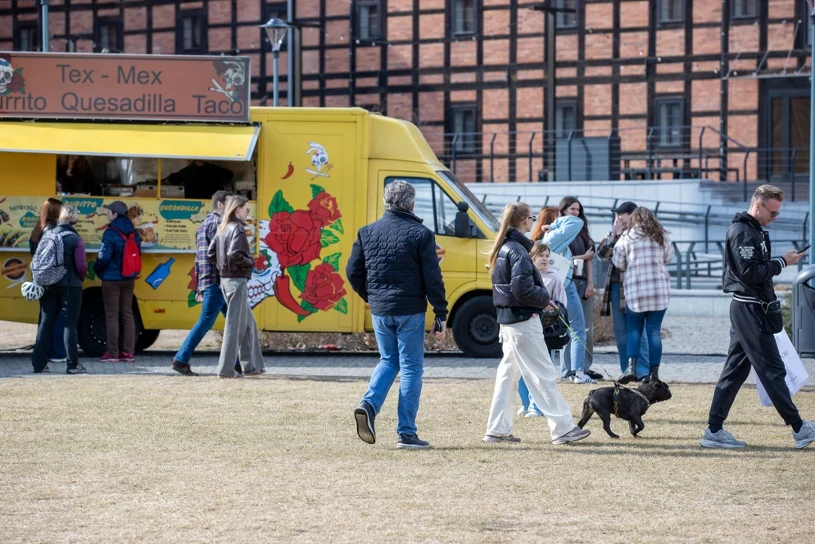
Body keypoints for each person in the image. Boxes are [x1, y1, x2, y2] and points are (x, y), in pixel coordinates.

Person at [701, 184, 814, 449]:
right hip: (750, 310)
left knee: (735, 371)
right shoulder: (743, 232)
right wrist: (782, 263)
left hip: (749, 307)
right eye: (772, 213)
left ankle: (714, 430)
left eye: (777, 214)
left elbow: (753, 270)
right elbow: (750, 273)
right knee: (772, 369)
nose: (774, 218)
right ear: (758, 205)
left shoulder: (752, 230)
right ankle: (799, 428)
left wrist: (779, 262)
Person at [347, 180, 447, 449]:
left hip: (380, 310)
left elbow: (352, 272)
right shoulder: (421, 234)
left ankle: (369, 405)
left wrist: (371, 297)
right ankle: (406, 433)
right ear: (412, 204)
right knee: (411, 368)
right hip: (410, 310)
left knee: (388, 361)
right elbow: (433, 278)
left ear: (386, 201)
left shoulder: (366, 232)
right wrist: (441, 312)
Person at [483, 202, 590, 446]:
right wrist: (545, 298)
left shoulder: (505, 247)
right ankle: (563, 428)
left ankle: (497, 429)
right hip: (523, 321)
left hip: (508, 322)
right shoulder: (518, 250)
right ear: (524, 220)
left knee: (508, 376)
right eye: (531, 218)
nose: (532, 222)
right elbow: (522, 289)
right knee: (543, 373)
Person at [172, 191, 241, 377]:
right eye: (229, 204)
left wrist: (199, 284)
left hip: (210, 280)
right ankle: (180, 360)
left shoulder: (203, 225)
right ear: (220, 205)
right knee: (207, 322)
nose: (232, 208)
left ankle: (237, 363)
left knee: (234, 321)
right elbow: (221, 256)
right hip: (219, 281)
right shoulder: (219, 224)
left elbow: (199, 257)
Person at [533, 206, 595, 383]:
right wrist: (554, 225)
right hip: (565, 286)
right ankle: (578, 373)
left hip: (552, 287)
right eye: (559, 216)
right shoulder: (553, 236)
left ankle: (557, 372)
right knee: (577, 330)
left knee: (551, 331)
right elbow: (577, 222)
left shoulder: (543, 240)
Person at [612, 207, 674, 384]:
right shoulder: (661, 236)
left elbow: (618, 262)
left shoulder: (627, 236)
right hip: (659, 290)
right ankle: (654, 373)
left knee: (634, 330)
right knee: (654, 331)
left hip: (636, 290)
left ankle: (631, 367)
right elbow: (668, 258)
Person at [207, 195, 265, 378]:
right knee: (235, 326)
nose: (248, 212)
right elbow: (235, 255)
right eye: (246, 209)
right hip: (236, 280)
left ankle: (252, 366)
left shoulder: (223, 227)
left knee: (248, 323)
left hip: (226, 280)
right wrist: (250, 262)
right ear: (238, 209)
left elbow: (210, 253)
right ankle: (225, 370)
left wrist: (222, 266)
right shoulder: (237, 228)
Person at [32, 206, 88, 375]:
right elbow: (81, 266)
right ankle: (72, 365)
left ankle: (38, 364)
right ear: (74, 220)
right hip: (70, 286)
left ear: (61, 218)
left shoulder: (48, 234)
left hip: (48, 284)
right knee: (69, 324)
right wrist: (80, 278)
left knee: (45, 323)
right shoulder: (74, 239)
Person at [598, 201, 650, 380]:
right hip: (616, 287)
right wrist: (615, 235)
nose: (618, 217)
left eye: (622, 214)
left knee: (639, 331)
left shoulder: (642, 234)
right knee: (620, 333)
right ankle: (627, 370)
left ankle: (643, 371)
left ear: (632, 215)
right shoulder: (613, 234)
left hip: (636, 287)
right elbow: (602, 255)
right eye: (617, 214)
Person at [518, 241, 567, 418]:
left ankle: (537, 406)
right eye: (541, 255)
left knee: (542, 369)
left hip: (546, 330)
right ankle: (525, 403)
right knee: (523, 369)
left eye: (547, 256)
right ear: (532, 257)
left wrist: (552, 310)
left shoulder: (554, 278)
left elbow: (562, 304)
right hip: (526, 327)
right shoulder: (525, 277)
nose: (545, 259)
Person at [558, 196, 603, 381]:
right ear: (563, 211)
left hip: (583, 282)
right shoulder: (560, 232)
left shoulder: (582, 231)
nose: (576, 213)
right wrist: (584, 256)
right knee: (569, 327)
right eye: (572, 209)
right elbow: (559, 258)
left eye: (578, 210)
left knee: (586, 328)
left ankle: (584, 367)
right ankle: (568, 369)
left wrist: (591, 283)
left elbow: (590, 258)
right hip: (566, 283)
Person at [93, 201, 142, 363]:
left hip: (112, 280)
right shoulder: (133, 231)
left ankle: (112, 353)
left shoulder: (111, 232)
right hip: (129, 278)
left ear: (115, 214)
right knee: (127, 314)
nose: (107, 214)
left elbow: (104, 256)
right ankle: (128, 352)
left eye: (109, 212)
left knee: (112, 316)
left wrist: (97, 269)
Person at [29, 198, 66, 371]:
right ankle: (56, 352)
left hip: (41, 280)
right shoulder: (55, 231)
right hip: (56, 281)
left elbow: (33, 255)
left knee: (44, 319)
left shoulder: (36, 231)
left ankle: (41, 355)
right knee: (57, 317)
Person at [166, 160, 234, 200]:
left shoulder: (188, 170)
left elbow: (173, 179)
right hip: (211, 202)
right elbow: (229, 175)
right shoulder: (214, 169)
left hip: (193, 203)